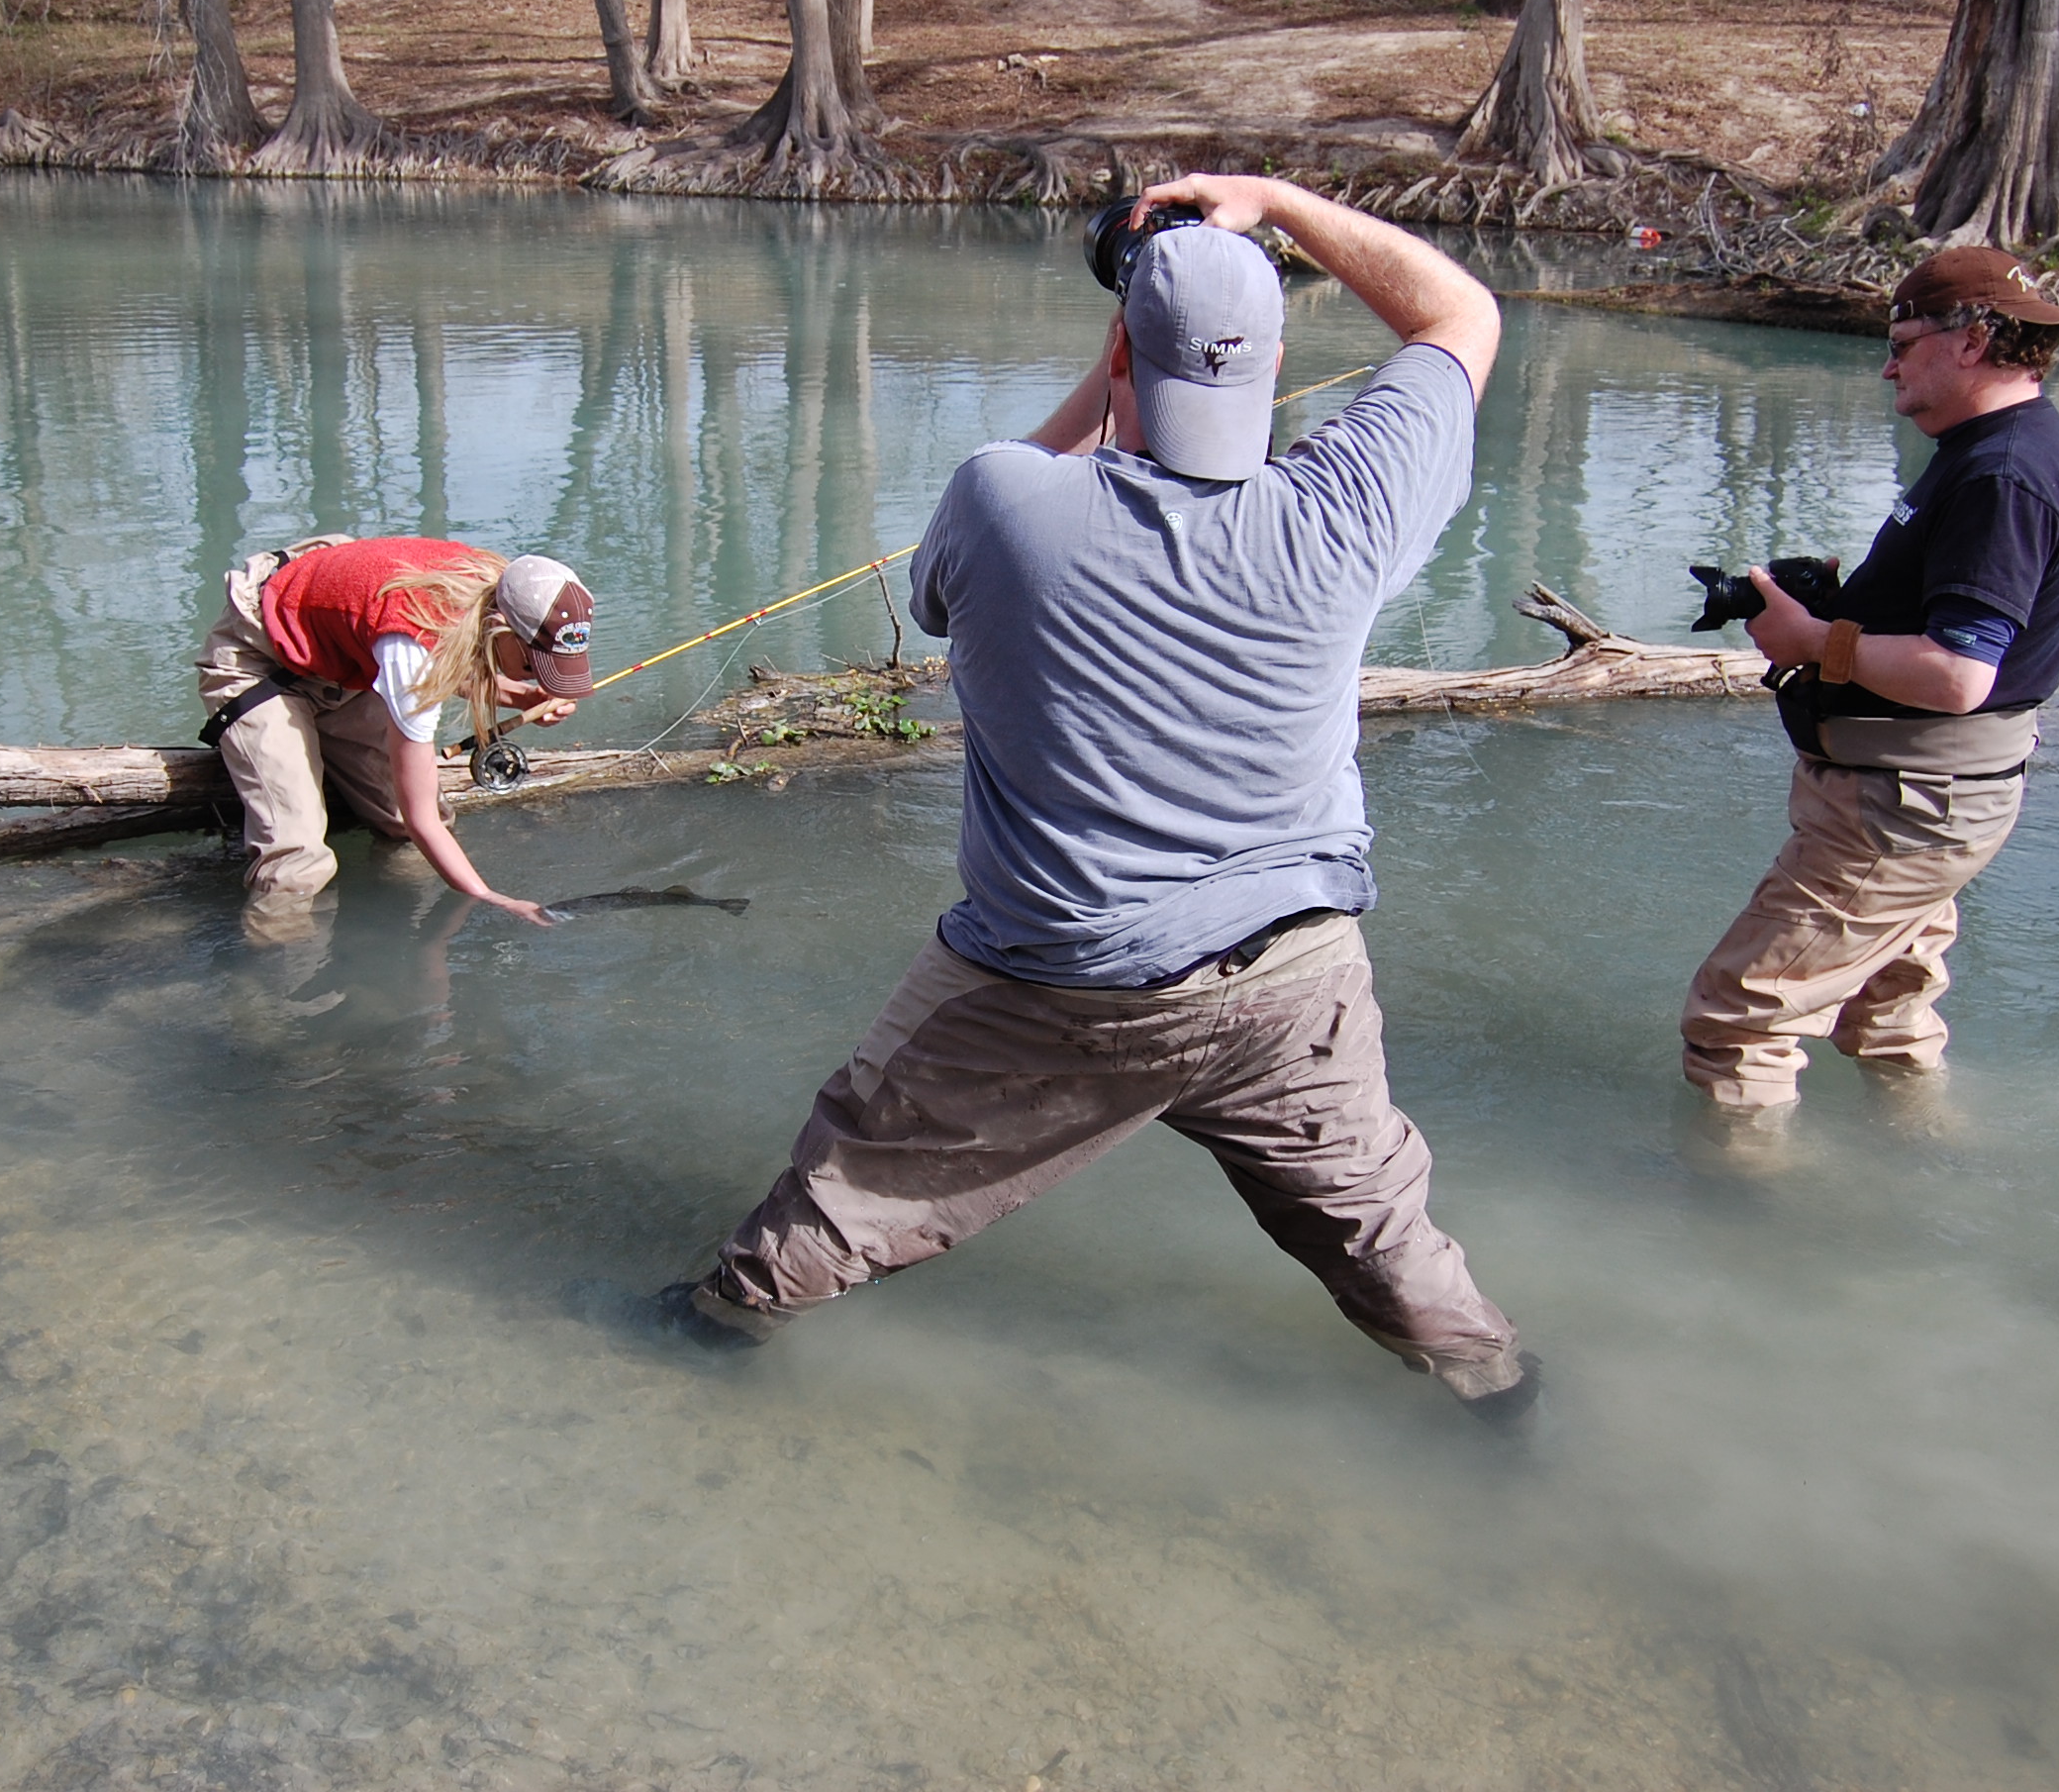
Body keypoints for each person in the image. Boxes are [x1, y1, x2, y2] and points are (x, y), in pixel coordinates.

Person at [631, 174, 1538, 1426]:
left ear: (1117, 345)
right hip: (1294, 973)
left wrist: (1118, 367)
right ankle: (1498, 1396)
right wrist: (1274, 200)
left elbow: (970, 559)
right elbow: (1457, 315)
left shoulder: (1004, 502)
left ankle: (706, 1337)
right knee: (1376, 1221)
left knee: (859, 1177)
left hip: (1058, 984)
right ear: (1277, 361)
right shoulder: (1347, 509)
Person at [1680, 248, 2059, 1140]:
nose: (1888, 363)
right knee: (1888, 1017)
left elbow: (1959, 674)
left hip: (1902, 807)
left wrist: (1815, 641)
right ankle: (1921, 1170)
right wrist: (1853, 605)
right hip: (1934, 801)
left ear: (1974, 340)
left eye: (1905, 342)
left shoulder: (2004, 475)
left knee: (1739, 1018)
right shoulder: (1993, 451)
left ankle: (1746, 1232)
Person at [195, 535, 592, 931]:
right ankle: (274, 979)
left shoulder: (509, 587)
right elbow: (423, 819)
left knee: (402, 827)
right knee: (297, 865)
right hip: (259, 660)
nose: (541, 678)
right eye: (533, 666)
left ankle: (387, 938)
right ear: (498, 629)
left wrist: (521, 695)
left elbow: (448, 655)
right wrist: (490, 898)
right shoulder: (410, 643)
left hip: (343, 658)